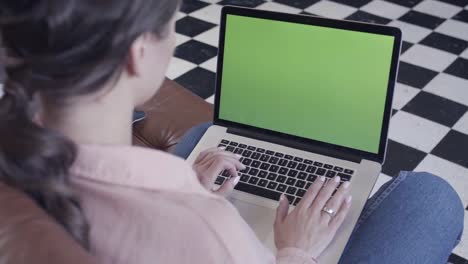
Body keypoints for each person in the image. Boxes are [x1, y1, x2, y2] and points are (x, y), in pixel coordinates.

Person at [0, 1, 463, 263]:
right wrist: (295, 250)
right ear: (138, 52)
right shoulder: (206, 232)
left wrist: (187, 186)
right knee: (429, 196)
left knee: (208, 131)